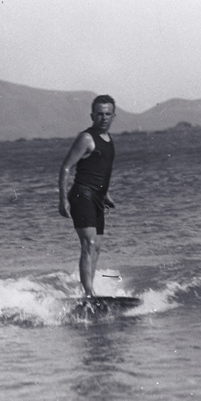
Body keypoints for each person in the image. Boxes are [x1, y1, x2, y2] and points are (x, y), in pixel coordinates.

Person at [59, 95, 117, 298]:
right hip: (81, 195)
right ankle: (89, 293)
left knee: (97, 247)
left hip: (97, 199)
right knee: (88, 244)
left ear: (113, 116)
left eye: (108, 114)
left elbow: (99, 170)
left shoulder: (109, 141)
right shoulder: (86, 138)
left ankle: (88, 292)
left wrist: (106, 194)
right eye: (100, 114)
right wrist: (62, 199)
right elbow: (66, 167)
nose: (104, 118)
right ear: (92, 115)